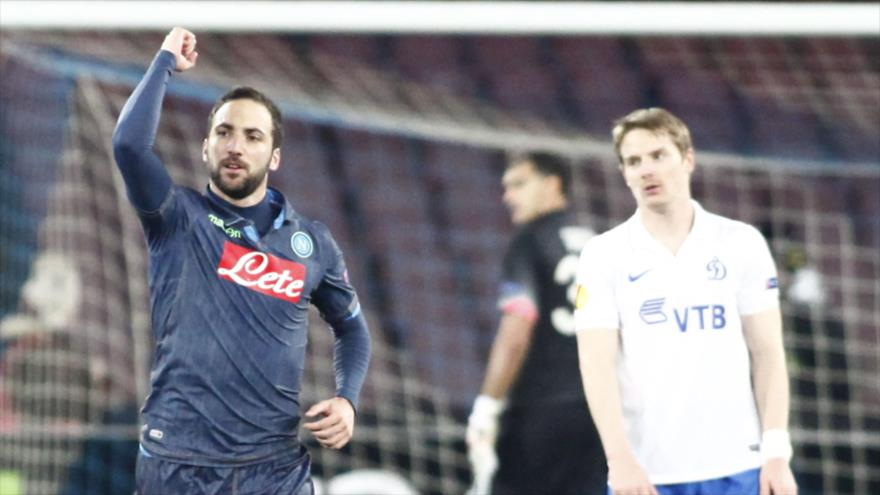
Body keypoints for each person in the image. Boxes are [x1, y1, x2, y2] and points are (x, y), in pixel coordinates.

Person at [111, 27, 371, 494]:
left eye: (252, 136)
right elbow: (129, 146)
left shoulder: (312, 243)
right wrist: (165, 61)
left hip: (274, 467)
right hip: (178, 462)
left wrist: (348, 400)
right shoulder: (177, 217)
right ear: (205, 146)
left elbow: (352, 327)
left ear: (273, 157)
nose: (235, 146)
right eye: (224, 132)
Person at [574, 108, 798, 495]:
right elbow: (596, 366)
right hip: (646, 475)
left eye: (658, 156)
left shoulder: (741, 243)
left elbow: (768, 353)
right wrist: (619, 459)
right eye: (634, 161)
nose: (646, 170)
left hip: (739, 466)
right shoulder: (602, 255)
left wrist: (776, 452)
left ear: (688, 159)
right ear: (624, 174)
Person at [466, 152, 606, 494]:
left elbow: (517, 329)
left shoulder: (528, 243)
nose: (508, 196)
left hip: (540, 410)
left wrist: (487, 405)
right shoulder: (598, 242)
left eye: (519, 184)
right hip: (597, 410)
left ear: (552, 184)